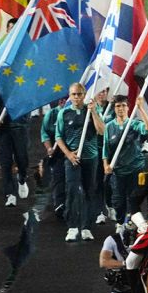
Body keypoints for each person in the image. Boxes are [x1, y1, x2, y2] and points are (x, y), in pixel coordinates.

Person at [56, 83, 101, 242]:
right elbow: (58, 137)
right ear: (70, 95)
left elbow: (101, 131)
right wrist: (68, 154)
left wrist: (94, 111)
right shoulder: (64, 113)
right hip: (72, 159)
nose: (76, 97)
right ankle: (72, 227)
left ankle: (87, 227)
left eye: (79, 94)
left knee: (89, 191)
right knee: (72, 191)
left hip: (91, 157)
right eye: (73, 94)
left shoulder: (92, 110)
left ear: (84, 94)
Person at [102, 95, 148, 222]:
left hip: (135, 168)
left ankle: (133, 223)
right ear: (114, 108)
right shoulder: (109, 127)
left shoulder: (134, 124)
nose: (121, 109)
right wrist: (105, 165)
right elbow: (105, 149)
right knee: (118, 201)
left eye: (123, 105)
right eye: (118, 106)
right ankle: (120, 223)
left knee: (133, 199)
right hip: (118, 170)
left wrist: (140, 108)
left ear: (128, 108)